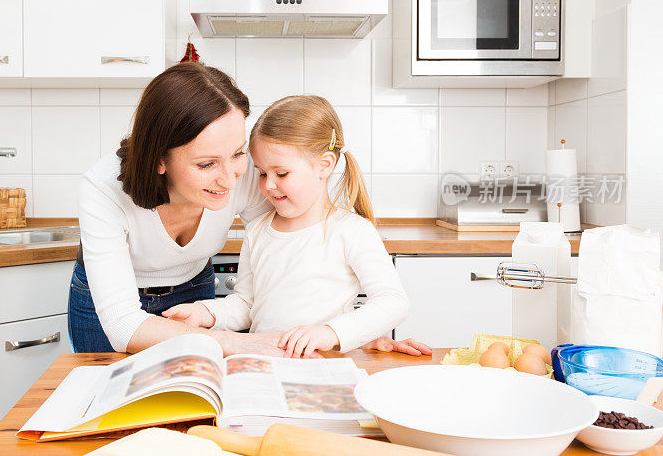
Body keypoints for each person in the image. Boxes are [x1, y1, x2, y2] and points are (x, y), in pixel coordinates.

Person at [162, 95, 432, 359]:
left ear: (324, 165)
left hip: (324, 366)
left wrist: (329, 333)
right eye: (262, 173)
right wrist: (205, 313)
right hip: (265, 363)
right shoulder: (258, 230)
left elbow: (393, 302)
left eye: (281, 174)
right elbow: (246, 305)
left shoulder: (350, 231)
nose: (268, 185)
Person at [69, 62, 282, 355]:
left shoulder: (245, 176)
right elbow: (123, 327)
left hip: (194, 293)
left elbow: (281, 252)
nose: (228, 177)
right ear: (159, 159)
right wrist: (232, 341)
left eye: (238, 153)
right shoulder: (103, 188)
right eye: (206, 164)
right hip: (106, 306)